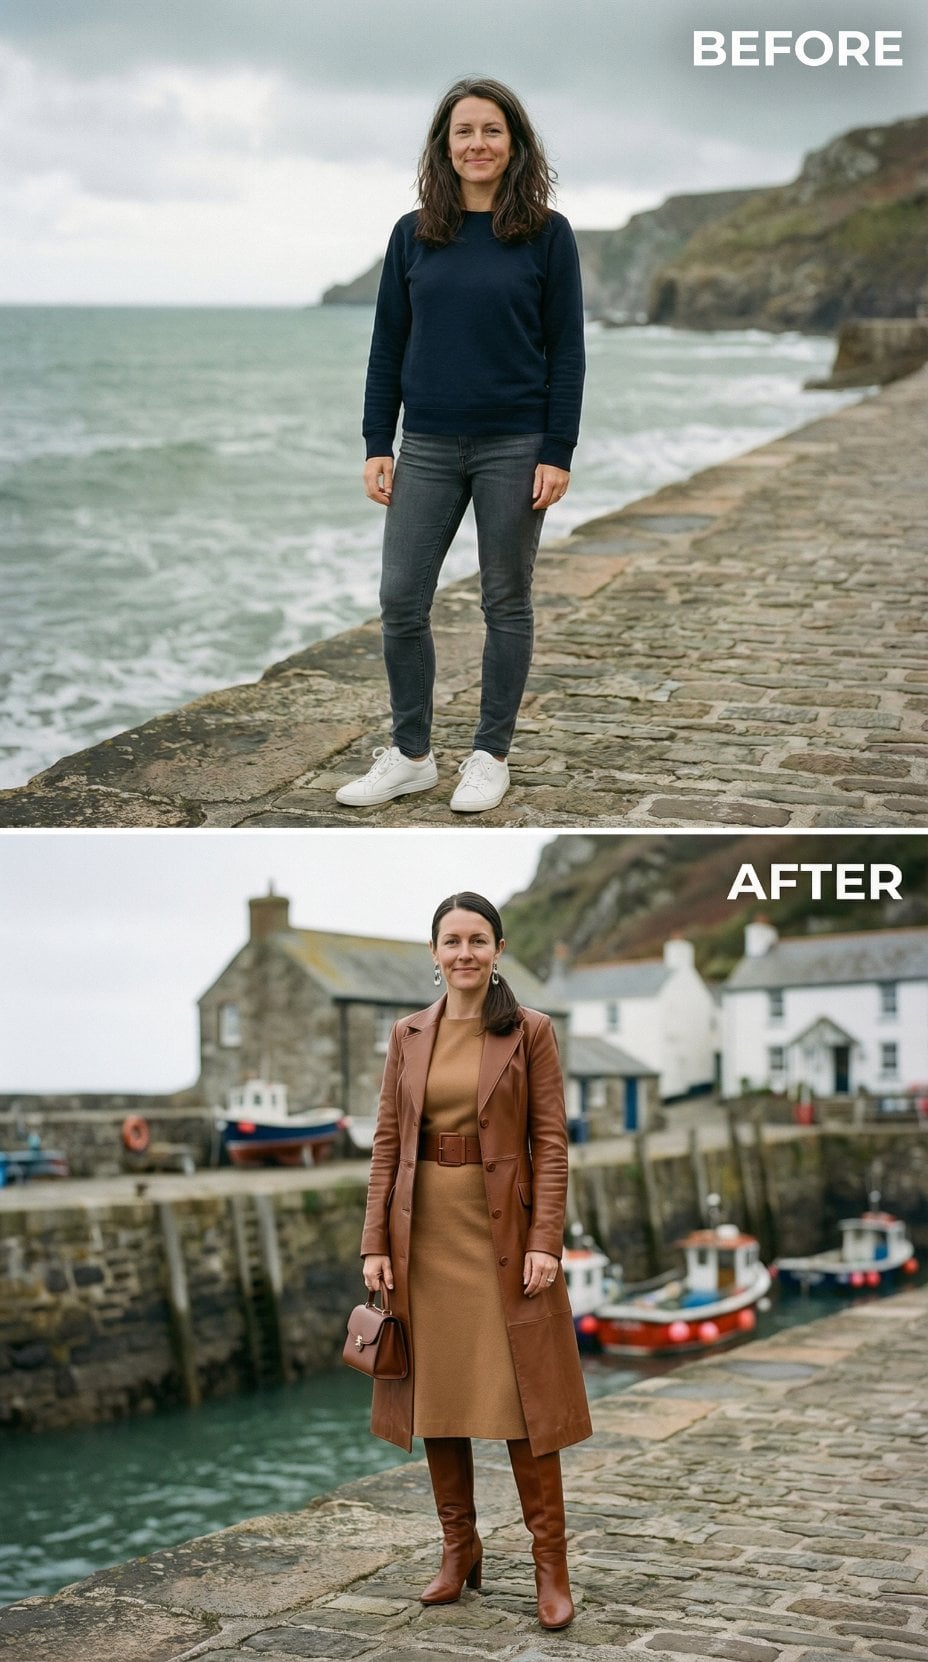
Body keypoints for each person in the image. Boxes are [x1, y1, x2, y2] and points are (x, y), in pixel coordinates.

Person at [336, 78, 585, 815]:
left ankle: (489, 754)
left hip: (517, 445)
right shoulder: (413, 233)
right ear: (445, 148)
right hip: (428, 445)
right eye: (464, 132)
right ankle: (412, 755)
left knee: (505, 600)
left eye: (492, 130)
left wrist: (558, 450)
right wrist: (377, 440)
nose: (478, 144)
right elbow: (388, 344)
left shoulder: (549, 234)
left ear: (515, 144)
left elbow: (567, 352)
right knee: (400, 599)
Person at [360, 892, 592, 1630]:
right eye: (452, 941)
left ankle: (550, 1566)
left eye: (478, 940)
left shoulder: (531, 1030)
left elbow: (550, 1141)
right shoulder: (407, 1033)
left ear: (497, 950)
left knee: (527, 1404)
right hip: (421, 1237)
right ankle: (459, 1549)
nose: (465, 952)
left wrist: (545, 1240)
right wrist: (374, 1242)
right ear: (434, 953)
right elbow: (388, 1144)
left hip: (503, 1236)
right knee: (438, 1398)